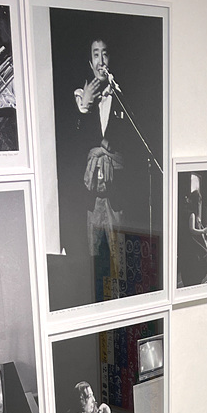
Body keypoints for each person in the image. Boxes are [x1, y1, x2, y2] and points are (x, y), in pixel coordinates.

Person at [75, 39, 125, 259]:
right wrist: (84, 108)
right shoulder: (81, 97)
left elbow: (129, 144)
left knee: (119, 259)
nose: (101, 61)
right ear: (90, 62)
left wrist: (105, 148)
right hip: (91, 196)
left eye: (105, 54)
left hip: (117, 194)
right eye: (96, 54)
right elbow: (75, 145)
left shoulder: (120, 96)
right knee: (97, 261)